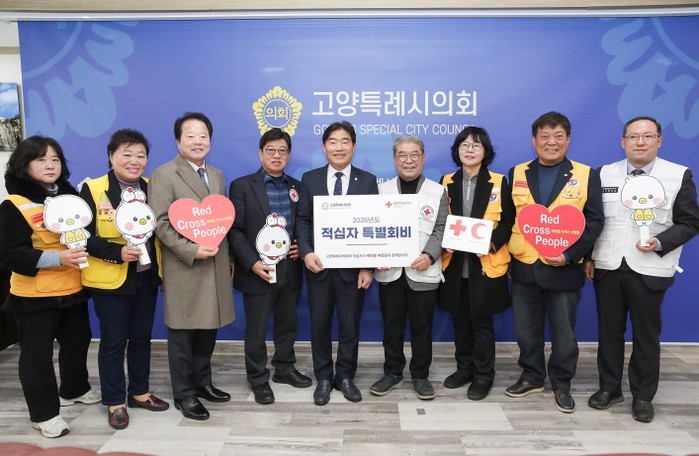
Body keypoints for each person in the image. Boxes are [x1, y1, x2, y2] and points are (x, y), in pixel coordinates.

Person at [585, 116, 699, 423]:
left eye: (648, 136)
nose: (640, 142)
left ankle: (643, 396)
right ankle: (609, 389)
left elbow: (690, 222)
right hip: (608, 264)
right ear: (623, 142)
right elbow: (594, 219)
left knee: (646, 335)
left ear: (659, 141)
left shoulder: (678, 175)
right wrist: (588, 257)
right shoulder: (603, 173)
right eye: (633, 136)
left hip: (651, 268)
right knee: (609, 332)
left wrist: (661, 242)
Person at [0, 136, 100, 438]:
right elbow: (10, 255)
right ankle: (44, 414)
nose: (50, 165)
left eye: (55, 159)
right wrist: (58, 258)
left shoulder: (70, 198)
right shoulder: (14, 205)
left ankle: (74, 389)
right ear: (24, 165)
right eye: (41, 159)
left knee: (77, 342)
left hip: (73, 288)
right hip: (35, 295)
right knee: (37, 356)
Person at [505, 111, 603, 413]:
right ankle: (532, 376)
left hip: (564, 268)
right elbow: (509, 217)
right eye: (544, 136)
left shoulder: (586, 174)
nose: (551, 142)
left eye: (558, 136)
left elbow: (595, 222)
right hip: (524, 267)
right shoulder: (517, 172)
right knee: (525, 331)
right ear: (534, 141)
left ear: (568, 140)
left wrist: (571, 255)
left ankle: (561, 383)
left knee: (564, 333)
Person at [79, 129, 168, 430]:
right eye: (127, 154)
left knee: (142, 338)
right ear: (111, 156)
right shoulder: (93, 189)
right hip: (110, 282)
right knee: (114, 341)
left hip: (146, 277)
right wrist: (117, 252)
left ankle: (140, 392)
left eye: (140, 155)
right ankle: (115, 401)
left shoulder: (152, 188)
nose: (134, 161)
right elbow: (81, 235)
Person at [148, 112, 235, 421]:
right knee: (183, 334)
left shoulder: (217, 175)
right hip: (184, 266)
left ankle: (203, 382)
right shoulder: (164, 174)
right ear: (178, 141)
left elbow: (222, 221)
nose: (198, 141)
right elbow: (160, 224)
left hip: (215, 263)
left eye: (203, 136)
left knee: (208, 329)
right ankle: (184, 394)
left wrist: (229, 258)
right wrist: (191, 250)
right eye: (191, 136)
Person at [296, 121, 378, 406]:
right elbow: (303, 220)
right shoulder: (310, 179)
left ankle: (344, 376)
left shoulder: (367, 181)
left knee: (350, 326)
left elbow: (372, 225)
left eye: (345, 142)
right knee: (319, 324)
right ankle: (323, 377)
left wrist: (368, 266)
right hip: (318, 267)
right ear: (324, 147)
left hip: (353, 271)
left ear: (353, 146)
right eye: (333, 141)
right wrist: (306, 252)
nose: (339, 147)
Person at [229, 128, 312, 405]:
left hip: (290, 268)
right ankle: (258, 378)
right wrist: (252, 263)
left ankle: (284, 368)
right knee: (256, 328)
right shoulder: (242, 186)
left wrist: (302, 246)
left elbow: (303, 223)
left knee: (287, 324)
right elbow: (235, 230)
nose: (277, 155)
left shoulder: (297, 187)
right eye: (271, 150)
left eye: (282, 151)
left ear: (289, 155)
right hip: (258, 270)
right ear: (260, 153)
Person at [437, 127, 515, 401]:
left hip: (486, 263)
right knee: (460, 320)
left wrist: (493, 241)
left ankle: (483, 374)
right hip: (455, 264)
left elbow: (509, 220)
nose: (470, 150)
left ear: (486, 152)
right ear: (457, 150)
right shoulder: (446, 181)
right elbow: (440, 220)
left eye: (476, 145)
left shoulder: (498, 181)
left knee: (482, 322)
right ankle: (464, 369)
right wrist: (443, 241)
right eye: (465, 145)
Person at [369, 135, 447, 401]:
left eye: (414, 154)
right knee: (392, 326)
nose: (408, 160)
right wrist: (377, 254)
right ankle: (392, 372)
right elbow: (372, 226)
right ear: (394, 159)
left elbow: (441, 228)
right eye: (402, 155)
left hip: (423, 271)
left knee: (422, 328)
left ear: (423, 157)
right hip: (390, 272)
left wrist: (429, 255)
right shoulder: (381, 190)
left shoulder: (437, 191)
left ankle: (420, 376)